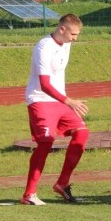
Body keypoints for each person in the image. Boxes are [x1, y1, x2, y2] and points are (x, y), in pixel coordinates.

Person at [22, 13, 89, 205]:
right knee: (46, 143)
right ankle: (29, 194)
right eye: (73, 34)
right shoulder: (43, 46)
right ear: (62, 29)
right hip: (40, 100)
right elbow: (44, 84)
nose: (75, 38)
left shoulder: (66, 44)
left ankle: (62, 183)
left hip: (60, 102)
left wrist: (66, 101)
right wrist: (69, 101)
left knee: (82, 133)